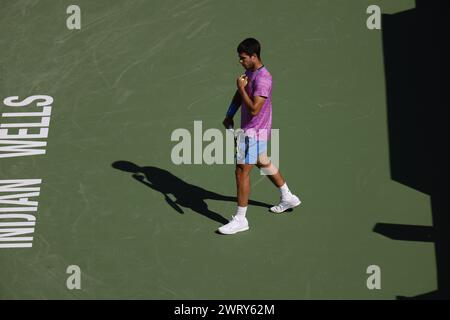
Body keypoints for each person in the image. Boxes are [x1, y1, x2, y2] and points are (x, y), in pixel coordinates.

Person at [218, 38, 301, 235]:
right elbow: (240, 96)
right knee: (262, 162)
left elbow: (254, 109)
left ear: (254, 56)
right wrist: (229, 114)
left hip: (255, 130)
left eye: (243, 58)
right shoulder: (250, 72)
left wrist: (240, 87)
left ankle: (240, 219)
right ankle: (287, 196)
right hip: (252, 129)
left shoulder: (264, 79)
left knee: (241, 171)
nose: (240, 61)